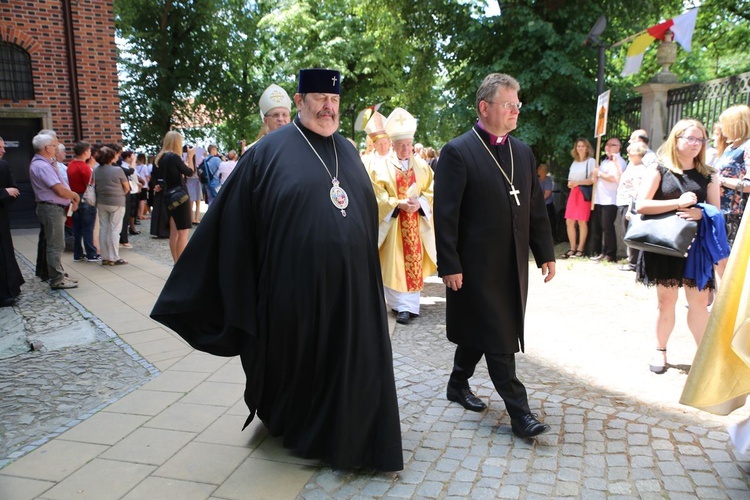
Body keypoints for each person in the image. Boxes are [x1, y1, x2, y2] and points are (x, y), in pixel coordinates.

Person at [151, 68, 403, 471]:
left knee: (349, 363)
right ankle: (303, 428)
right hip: (293, 293)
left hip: (351, 291)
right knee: (302, 367)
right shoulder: (268, 153)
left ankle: (352, 431)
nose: (328, 107)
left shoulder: (349, 151)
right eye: (319, 98)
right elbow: (230, 223)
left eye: (334, 100)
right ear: (300, 101)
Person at [434, 73, 556, 439]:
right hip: (475, 267)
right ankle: (521, 415)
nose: (516, 110)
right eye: (509, 104)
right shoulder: (459, 151)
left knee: (481, 331)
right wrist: (450, 264)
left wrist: (545, 253)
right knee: (500, 336)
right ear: (485, 107)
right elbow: (446, 214)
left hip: (512, 264)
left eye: (517, 104)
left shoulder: (522, 151)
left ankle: (457, 384)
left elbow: (534, 207)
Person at [635, 119, 722, 374]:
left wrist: (700, 213)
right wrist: (678, 204)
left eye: (700, 140)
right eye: (690, 138)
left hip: (697, 248)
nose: (696, 144)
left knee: (698, 303)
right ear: (677, 139)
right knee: (666, 301)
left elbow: (717, 211)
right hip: (665, 245)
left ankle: (704, 357)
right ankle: (660, 350)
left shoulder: (709, 174)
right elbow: (641, 205)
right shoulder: (660, 169)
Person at [369, 107, 436, 325]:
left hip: (415, 224)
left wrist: (421, 203)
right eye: (401, 145)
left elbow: (433, 189)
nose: (406, 149)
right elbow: (376, 194)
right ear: (393, 145)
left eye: (408, 144)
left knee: (413, 262)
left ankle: (410, 306)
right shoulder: (382, 167)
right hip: (394, 225)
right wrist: (397, 204)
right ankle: (399, 306)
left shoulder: (423, 166)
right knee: (394, 264)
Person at [29, 132, 80, 290]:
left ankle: (59, 275)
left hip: (52, 208)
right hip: (51, 209)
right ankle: (57, 279)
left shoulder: (45, 163)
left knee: (55, 243)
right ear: (46, 148)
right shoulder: (42, 166)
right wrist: (75, 196)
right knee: (55, 245)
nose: (56, 148)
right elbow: (59, 189)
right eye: (54, 145)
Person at [155, 131, 195, 262]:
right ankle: (181, 265)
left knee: (174, 232)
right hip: (180, 196)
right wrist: (190, 157)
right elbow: (189, 172)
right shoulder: (174, 157)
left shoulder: (160, 158)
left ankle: (176, 261)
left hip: (168, 196)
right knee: (183, 231)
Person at [715, 104, 750, 248]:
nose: (722, 129)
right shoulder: (730, 148)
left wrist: (721, 181)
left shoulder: (747, 147)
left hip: (736, 215)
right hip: (722, 210)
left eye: (724, 124)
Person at [93, 146, 130, 266]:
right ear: (110, 157)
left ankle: (105, 256)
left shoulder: (96, 170)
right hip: (117, 202)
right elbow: (126, 188)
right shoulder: (117, 170)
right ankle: (114, 257)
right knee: (115, 230)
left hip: (102, 202)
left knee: (104, 229)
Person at [590, 137, 624, 262]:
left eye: (612, 145)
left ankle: (611, 253)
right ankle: (603, 252)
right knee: (602, 226)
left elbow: (614, 178)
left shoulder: (619, 161)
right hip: (600, 198)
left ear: (618, 147)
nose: (608, 147)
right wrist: (595, 174)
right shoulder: (604, 161)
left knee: (607, 226)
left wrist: (599, 173)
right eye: (607, 144)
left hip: (610, 199)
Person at [616, 141, 648, 272]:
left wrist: (630, 210)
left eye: (631, 152)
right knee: (627, 233)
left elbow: (636, 192)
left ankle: (634, 263)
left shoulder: (640, 169)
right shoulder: (632, 166)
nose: (628, 154)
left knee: (631, 234)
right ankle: (632, 261)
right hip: (623, 202)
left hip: (629, 205)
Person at [66, 141, 100, 262]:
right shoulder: (85, 167)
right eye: (89, 151)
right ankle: (91, 253)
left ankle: (78, 253)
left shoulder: (70, 165)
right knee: (88, 227)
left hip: (74, 197)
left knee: (77, 228)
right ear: (85, 152)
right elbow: (90, 184)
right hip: (86, 198)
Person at [0, 136, 24, 306]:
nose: (3, 150)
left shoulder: (3, 165)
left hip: (1, 217)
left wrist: (9, 193)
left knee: (5, 252)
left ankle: (9, 289)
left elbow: (14, 188)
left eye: (3, 146)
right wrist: (3, 192)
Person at [561, 138, 595, 259]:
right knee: (569, 221)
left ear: (587, 148)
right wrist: (571, 183)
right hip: (573, 192)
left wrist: (578, 182)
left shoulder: (591, 161)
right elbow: (570, 179)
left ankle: (580, 249)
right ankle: (572, 248)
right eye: (578, 146)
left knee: (582, 221)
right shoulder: (574, 163)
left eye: (583, 146)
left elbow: (592, 180)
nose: (580, 148)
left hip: (583, 193)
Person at [537, 163, 555, 237]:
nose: (537, 170)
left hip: (546, 205)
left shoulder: (547, 180)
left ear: (544, 171)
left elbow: (547, 193)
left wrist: (539, 200)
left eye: (539, 169)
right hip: (538, 204)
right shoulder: (537, 180)